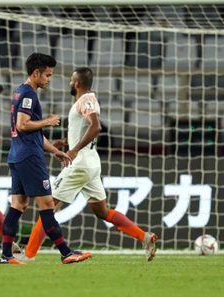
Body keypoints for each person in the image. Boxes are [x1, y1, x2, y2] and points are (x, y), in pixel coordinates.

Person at [22, 68, 158, 262]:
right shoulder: (86, 100)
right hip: (91, 163)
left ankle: (28, 255)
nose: (70, 83)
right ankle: (144, 237)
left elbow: (96, 126)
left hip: (79, 164)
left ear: (77, 83)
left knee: (47, 206)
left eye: (71, 80)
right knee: (102, 211)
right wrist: (65, 142)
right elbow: (85, 129)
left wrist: (75, 149)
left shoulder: (85, 100)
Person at [0, 53, 91, 265]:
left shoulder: (19, 91)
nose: (49, 79)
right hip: (30, 157)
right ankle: (66, 253)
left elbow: (32, 134)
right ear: (36, 73)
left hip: (17, 155)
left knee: (18, 205)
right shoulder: (29, 95)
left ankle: (6, 255)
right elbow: (23, 125)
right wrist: (48, 121)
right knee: (47, 205)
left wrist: (54, 151)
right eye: (47, 75)